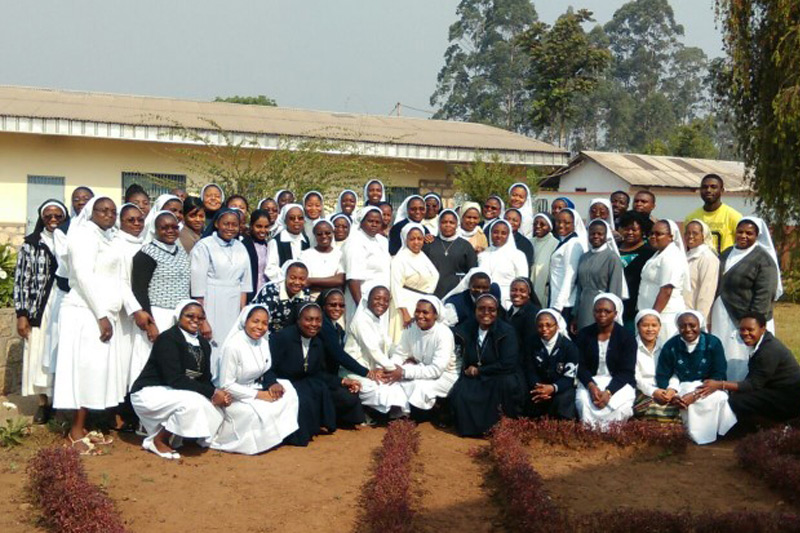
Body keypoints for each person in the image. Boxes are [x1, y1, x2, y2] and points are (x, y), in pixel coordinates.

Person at [53, 197, 137, 454]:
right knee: (82, 370)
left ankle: (85, 425)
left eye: (113, 211)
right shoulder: (82, 236)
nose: (109, 214)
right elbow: (83, 276)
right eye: (103, 210)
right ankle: (75, 431)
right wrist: (101, 314)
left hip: (104, 314)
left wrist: (136, 311)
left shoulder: (112, 239)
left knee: (94, 372)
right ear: (91, 212)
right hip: (84, 312)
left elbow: (122, 280)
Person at [130, 300, 230, 459]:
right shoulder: (168, 339)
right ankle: (158, 440)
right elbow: (174, 379)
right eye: (190, 316)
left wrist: (218, 396)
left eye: (200, 317)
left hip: (177, 392)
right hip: (150, 392)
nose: (195, 320)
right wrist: (212, 392)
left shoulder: (204, 344)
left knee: (216, 411)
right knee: (192, 403)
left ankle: (185, 437)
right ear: (178, 316)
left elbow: (204, 378)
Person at [269, 303, 364, 446]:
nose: (314, 324)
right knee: (305, 399)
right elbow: (266, 368)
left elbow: (317, 373)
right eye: (309, 319)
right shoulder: (282, 338)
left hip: (307, 382)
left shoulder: (318, 341)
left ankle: (330, 421)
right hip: (284, 384)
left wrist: (342, 381)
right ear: (298, 320)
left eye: (318, 320)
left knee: (347, 395)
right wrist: (272, 383)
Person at [211, 305, 299, 455]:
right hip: (233, 396)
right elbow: (226, 385)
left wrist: (272, 384)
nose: (260, 327)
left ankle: (275, 437)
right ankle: (247, 443)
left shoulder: (263, 343)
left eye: (265, 323)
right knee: (253, 412)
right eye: (255, 321)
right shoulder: (233, 346)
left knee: (288, 390)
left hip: (255, 387)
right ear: (245, 321)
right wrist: (260, 395)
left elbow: (265, 370)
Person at [14, 199, 68, 424]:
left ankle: (61, 403)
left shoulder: (71, 239)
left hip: (65, 304)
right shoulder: (31, 243)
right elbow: (21, 280)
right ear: (41, 218)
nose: (53, 220)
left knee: (62, 351)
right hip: (40, 307)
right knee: (38, 353)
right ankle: (43, 403)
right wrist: (22, 314)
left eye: (58, 216)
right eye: (48, 216)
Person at [711, 217, 781, 381]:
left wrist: (752, 323)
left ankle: (741, 388)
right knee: (723, 351)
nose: (743, 236)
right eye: (740, 232)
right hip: (722, 315)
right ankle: (723, 385)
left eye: (749, 233)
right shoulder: (727, 252)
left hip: (745, 317)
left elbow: (765, 293)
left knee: (741, 356)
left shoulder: (763, 259)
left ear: (757, 236)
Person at [699, 312, 800, 424]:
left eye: (750, 329)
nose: (745, 333)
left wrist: (720, 384)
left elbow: (754, 384)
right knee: (737, 395)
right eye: (742, 329)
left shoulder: (768, 351)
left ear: (762, 328)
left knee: (737, 401)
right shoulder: (763, 342)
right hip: (778, 390)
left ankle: (775, 427)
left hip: (789, 397)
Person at [654, 311, 736, 444]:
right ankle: (694, 435)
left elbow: (719, 373)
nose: (687, 330)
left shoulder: (713, 343)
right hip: (682, 387)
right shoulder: (671, 346)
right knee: (684, 400)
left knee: (720, 398)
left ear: (700, 325)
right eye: (682, 326)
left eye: (692, 325)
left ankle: (716, 434)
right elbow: (663, 375)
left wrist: (696, 394)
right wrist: (672, 396)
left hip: (710, 387)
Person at [131, 211, 192, 385]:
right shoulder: (146, 253)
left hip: (178, 316)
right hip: (157, 314)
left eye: (174, 227)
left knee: (172, 360)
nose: (170, 231)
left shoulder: (181, 251)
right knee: (148, 358)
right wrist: (150, 324)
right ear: (155, 229)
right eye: (164, 227)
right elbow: (139, 290)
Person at [450, 294, 524, 437]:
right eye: (481, 309)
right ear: (475, 310)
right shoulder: (467, 328)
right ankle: (469, 430)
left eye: (491, 309)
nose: (486, 313)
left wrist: (480, 370)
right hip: (475, 375)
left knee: (505, 386)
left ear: (497, 311)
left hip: (498, 375)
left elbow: (508, 363)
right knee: (461, 393)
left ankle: (498, 430)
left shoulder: (507, 331)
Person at [382, 297, 460, 420]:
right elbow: (401, 353)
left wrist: (403, 372)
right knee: (392, 380)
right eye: (417, 311)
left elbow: (436, 370)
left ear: (435, 315)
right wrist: (392, 369)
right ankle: (398, 413)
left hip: (445, 375)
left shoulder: (444, 333)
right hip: (421, 368)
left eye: (425, 312)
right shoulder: (412, 327)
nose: (420, 315)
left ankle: (418, 415)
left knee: (418, 386)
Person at [190, 208, 252, 360]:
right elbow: (197, 287)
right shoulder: (204, 246)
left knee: (231, 344)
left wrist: (242, 313)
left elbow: (244, 284)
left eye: (234, 225)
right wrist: (202, 319)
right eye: (226, 224)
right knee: (212, 342)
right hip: (212, 301)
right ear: (217, 224)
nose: (230, 228)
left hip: (234, 303)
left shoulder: (241, 246)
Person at [342, 285, 410, 416]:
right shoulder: (361, 320)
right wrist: (393, 369)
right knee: (380, 389)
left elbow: (390, 345)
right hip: (357, 371)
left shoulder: (377, 320)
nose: (382, 303)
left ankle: (389, 416)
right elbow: (373, 351)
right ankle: (368, 412)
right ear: (368, 300)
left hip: (376, 370)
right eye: (377, 298)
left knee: (396, 385)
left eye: (385, 300)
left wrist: (404, 358)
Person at [574, 294, 637, 430]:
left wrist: (609, 392)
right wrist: (591, 387)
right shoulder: (584, 334)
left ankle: (613, 435)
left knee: (620, 406)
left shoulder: (627, 336)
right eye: (598, 311)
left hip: (618, 383)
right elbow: (579, 366)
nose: (602, 314)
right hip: (591, 381)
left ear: (615, 314)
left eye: (607, 311)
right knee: (584, 401)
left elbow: (627, 371)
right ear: (593, 312)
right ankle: (590, 434)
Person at [638, 220, 690, 343]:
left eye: (658, 234)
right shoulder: (658, 254)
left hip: (665, 316)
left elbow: (666, 290)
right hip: (651, 314)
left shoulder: (671, 256)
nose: (653, 237)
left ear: (671, 237)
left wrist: (652, 318)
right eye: (651, 234)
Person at [521, 309, 578, 419]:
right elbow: (529, 369)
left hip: (559, 387)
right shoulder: (530, 343)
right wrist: (540, 389)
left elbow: (569, 377)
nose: (544, 329)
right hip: (537, 387)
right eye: (540, 326)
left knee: (565, 397)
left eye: (549, 325)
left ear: (557, 326)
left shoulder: (570, 347)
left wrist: (552, 388)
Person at [389, 223, 439, 342]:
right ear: (405, 239)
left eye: (419, 239)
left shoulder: (423, 257)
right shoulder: (400, 259)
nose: (416, 242)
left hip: (421, 304)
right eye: (412, 239)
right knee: (402, 340)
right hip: (404, 306)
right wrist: (404, 312)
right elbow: (395, 287)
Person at [341, 206, 391, 324]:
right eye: (370, 221)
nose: (374, 225)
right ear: (361, 222)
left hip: (381, 301)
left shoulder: (382, 241)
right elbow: (353, 279)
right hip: (362, 299)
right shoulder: (355, 241)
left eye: (378, 222)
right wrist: (361, 309)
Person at [574, 220, 627, 330]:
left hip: (602, 309)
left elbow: (615, 290)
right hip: (584, 307)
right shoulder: (584, 257)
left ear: (606, 235)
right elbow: (580, 288)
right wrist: (576, 313)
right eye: (592, 233)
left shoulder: (611, 257)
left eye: (600, 234)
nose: (596, 236)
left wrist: (610, 313)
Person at [631, 309, 679, 421]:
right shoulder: (631, 347)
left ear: (659, 327)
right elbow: (635, 377)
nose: (650, 329)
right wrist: (653, 392)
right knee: (656, 408)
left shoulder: (667, 347)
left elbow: (675, 372)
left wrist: (672, 389)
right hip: (641, 390)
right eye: (645, 325)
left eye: (654, 325)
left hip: (665, 390)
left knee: (681, 404)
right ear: (638, 327)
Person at [317, 288, 374, 379]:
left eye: (341, 305)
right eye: (333, 305)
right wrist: (367, 373)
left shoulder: (337, 327)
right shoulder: (323, 325)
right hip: (321, 377)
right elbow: (339, 355)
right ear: (323, 306)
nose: (337, 308)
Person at [423, 209, 478, 299]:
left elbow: (472, 271)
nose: (448, 225)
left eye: (451, 222)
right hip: (432, 291)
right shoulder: (430, 243)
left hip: (457, 292)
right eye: (444, 222)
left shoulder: (465, 246)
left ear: (457, 225)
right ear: (439, 224)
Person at [684, 174, 742, 254]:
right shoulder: (691, 218)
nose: (708, 190)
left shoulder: (733, 216)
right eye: (704, 187)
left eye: (713, 187)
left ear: (721, 191)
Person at [478, 220, 528, 309]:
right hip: (486, 301)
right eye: (495, 232)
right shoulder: (483, 254)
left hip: (509, 302)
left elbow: (522, 281)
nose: (499, 236)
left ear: (509, 235)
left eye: (503, 233)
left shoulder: (517, 255)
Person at [549, 208, 588, 323]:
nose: (561, 225)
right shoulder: (564, 242)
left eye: (567, 223)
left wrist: (558, 306)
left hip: (564, 303)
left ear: (574, 224)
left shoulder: (573, 244)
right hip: (557, 298)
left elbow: (570, 276)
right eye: (558, 222)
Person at [618, 211, 655, 330]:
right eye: (626, 229)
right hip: (615, 304)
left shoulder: (649, 252)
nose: (629, 233)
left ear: (642, 231)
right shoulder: (614, 247)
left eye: (634, 230)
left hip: (634, 306)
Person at [252, 261, 311, 333]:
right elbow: (263, 321)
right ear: (286, 276)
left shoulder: (305, 293)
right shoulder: (271, 291)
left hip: (287, 336)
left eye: (301, 279)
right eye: (293, 278)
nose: (297, 282)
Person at [299, 219, 345, 300]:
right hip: (312, 299)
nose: (324, 236)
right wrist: (331, 282)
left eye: (328, 233)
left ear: (333, 233)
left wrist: (312, 281)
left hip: (334, 300)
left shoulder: (340, 254)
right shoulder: (305, 255)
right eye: (319, 234)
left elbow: (340, 280)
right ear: (314, 235)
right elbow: (305, 282)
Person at [684, 219, 719, 324]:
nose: (690, 236)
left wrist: (700, 319)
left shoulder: (708, 258)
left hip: (695, 317)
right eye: (688, 233)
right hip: (682, 313)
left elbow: (706, 292)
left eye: (695, 233)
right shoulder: (686, 256)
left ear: (703, 235)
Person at [264, 203, 309, 281]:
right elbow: (270, 269)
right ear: (285, 220)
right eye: (292, 218)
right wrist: (289, 279)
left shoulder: (305, 240)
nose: (296, 221)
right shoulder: (276, 242)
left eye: (300, 218)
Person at [241, 209, 271, 299]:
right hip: (248, 293)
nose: (263, 230)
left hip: (265, 293)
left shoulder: (268, 245)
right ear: (251, 226)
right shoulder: (244, 245)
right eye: (259, 226)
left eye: (266, 227)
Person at [530, 213, 558, 308]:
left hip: (544, 290)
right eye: (535, 223)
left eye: (542, 224)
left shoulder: (556, 244)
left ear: (550, 227)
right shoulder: (529, 242)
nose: (538, 226)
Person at [506, 278, 541, 346]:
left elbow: (529, 343)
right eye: (513, 290)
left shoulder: (532, 314)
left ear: (528, 294)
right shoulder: (510, 311)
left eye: (522, 291)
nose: (517, 293)